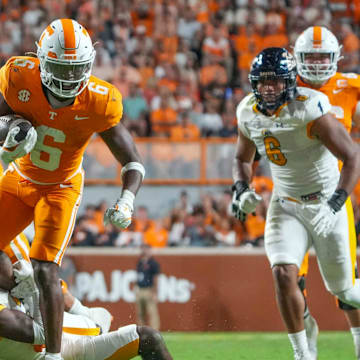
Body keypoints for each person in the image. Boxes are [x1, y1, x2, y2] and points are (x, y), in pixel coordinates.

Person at [0, 18, 145, 360]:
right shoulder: (18, 77)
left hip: (60, 187)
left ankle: (54, 355)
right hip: (19, 177)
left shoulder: (99, 100)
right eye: (59, 69)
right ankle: (33, 293)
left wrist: (127, 199)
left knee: (45, 266)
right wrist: (9, 129)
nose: (67, 79)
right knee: (28, 268)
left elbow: (133, 161)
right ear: (40, 60)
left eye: (74, 69)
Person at [232, 47, 360, 360]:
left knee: (343, 292)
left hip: (326, 201)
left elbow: (352, 156)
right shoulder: (248, 111)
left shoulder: (310, 108)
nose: (269, 87)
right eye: (262, 81)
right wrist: (241, 188)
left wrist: (336, 203)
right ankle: (302, 353)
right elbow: (242, 157)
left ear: (289, 81)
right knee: (283, 273)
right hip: (286, 203)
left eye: (275, 81)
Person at [294, 26, 360, 359]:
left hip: (338, 194)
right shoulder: (283, 86)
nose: (318, 63)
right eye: (312, 56)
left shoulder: (350, 87)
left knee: (348, 284)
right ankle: (305, 325)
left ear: (336, 58)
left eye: (324, 56)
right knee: (290, 280)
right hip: (294, 195)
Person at [0, 251, 173, 360]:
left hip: (80, 331)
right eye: (9, 268)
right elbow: (42, 334)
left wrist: (84, 312)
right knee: (148, 337)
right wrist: (35, 289)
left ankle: (95, 322)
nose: (16, 272)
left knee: (104, 317)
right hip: (63, 350)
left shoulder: (15, 279)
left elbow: (61, 295)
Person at [135, 244, 161, 330]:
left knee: (152, 312)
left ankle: (155, 330)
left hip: (149, 289)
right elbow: (138, 276)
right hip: (140, 289)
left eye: (146, 249)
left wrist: (155, 292)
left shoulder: (153, 263)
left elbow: (156, 278)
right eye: (143, 249)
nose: (144, 251)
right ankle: (142, 331)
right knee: (140, 313)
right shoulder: (140, 262)